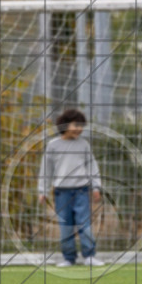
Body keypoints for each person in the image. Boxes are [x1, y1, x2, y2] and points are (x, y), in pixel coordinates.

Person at [38, 108, 105, 267]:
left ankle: (89, 255)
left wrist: (96, 187)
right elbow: (46, 170)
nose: (79, 129)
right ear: (65, 124)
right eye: (76, 125)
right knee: (65, 227)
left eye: (81, 125)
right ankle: (68, 258)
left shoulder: (84, 145)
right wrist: (43, 190)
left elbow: (92, 167)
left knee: (85, 224)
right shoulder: (53, 146)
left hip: (81, 191)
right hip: (62, 193)